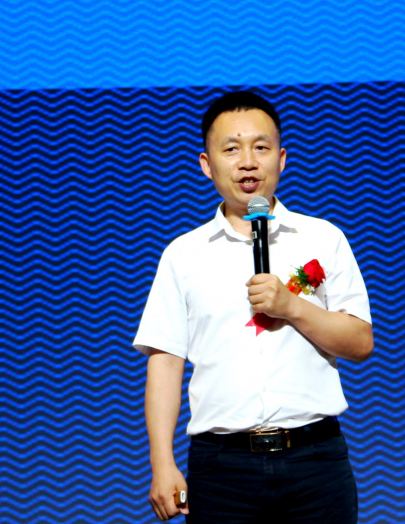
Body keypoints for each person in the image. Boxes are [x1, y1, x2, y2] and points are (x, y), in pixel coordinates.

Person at [133, 91, 373, 523]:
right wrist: (162, 464)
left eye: (261, 148)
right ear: (207, 164)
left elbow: (359, 342)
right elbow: (165, 362)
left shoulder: (324, 238)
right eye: (231, 149)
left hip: (315, 462)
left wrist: (291, 306)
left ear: (281, 159)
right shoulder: (183, 254)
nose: (248, 162)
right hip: (221, 469)